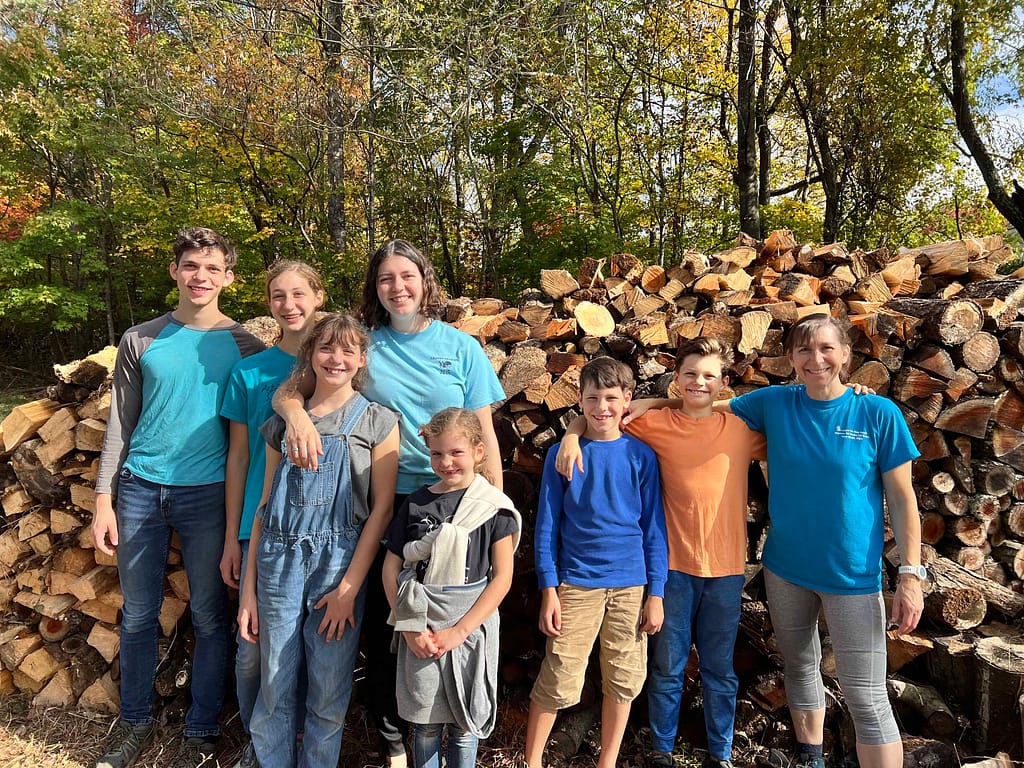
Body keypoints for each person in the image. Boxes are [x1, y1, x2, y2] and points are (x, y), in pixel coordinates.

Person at [626, 314, 924, 768]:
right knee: (801, 667)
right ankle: (811, 757)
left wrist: (910, 574)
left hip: (852, 575)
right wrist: (646, 404)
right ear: (790, 359)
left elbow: (904, 501)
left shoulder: (877, 412)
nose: (815, 359)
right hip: (785, 570)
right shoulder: (775, 403)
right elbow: (705, 407)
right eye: (804, 349)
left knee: (865, 695)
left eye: (826, 348)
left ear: (846, 354)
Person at [274, 238, 507, 767]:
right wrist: (296, 416)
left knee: (454, 614)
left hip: (457, 500)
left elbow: (485, 434)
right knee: (387, 624)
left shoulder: (462, 347)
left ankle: (459, 728)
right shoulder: (365, 345)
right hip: (384, 498)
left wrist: (494, 501)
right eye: (385, 279)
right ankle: (395, 741)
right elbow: (291, 390)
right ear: (374, 289)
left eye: (406, 276)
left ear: (425, 281)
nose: (397, 287)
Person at [92, 227, 265, 768]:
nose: (201, 277)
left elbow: (252, 438)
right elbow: (121, 423)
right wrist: (104, 497)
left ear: (229, 279)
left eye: (213, 269)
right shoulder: (140, 339)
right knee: (139, 614)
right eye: (191, 266)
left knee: (212, 616)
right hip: (140, 490)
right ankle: (135, 723)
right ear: (174, 271)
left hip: (209, 495)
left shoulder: (245, 347)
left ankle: (201, 729)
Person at [556, 337, 766, 768]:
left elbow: (800, 422)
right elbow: (603, 416)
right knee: (667, 666)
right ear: (676, 378)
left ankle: (720, 752)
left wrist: (855, 394)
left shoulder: (741, 430)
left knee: (719, 669)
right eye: (690, 373)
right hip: (671, 568)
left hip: (726, 570)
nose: (699, 382)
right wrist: (572, 436)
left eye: (710, 375)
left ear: (724, 383)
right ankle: (662, 750)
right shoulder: (653, 424)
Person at [237, 313, 400, 768]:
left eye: (349, 350)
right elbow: (264, 509)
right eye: (327, 348)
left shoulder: (379, 422)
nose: (337, 358)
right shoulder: (282, 423)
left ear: (362, 359)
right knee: (274, 682)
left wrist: (349, 589)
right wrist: (249, 591)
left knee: (328, 691)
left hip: (338, 566)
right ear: (309, 353)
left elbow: (382, 510)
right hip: (278, 561)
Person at [525, 357, 668, 768]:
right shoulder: (563, 454)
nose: (601, 407)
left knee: (623, 679)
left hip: (630, 586)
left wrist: (655, 592)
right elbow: (547, 527)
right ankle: (531, 760)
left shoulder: (642, 456)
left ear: (627, 399)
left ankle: (607, 761)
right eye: (592, 398)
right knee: (559, 675)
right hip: (577, 583)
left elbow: (654, 528)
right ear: (580, 401)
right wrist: (549, 589)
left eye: (611, 397)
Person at [220, 260, 325, 768]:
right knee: (252, 649)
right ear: (268, 304)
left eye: (299, 293)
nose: (289, 304)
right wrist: (232, 539)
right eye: (278, 295)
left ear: (319, 297)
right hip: (260, 525)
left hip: (322, 530)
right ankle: (261, 741)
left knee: (308, 648)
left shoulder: (336, 363)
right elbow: (239, 457)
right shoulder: (250, 371)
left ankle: (301, 741)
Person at [382, 407, 520, 768]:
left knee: (463, 724)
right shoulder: (416, 504)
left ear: (478, 451)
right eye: (436, 453)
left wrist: (460, 630)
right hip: (421, 625)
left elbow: (502, 577)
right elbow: (391, 567)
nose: (446, 462)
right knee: (426, 725)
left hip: (470, 629)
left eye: (456, 452)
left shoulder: (493, 509)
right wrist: (407, 625)